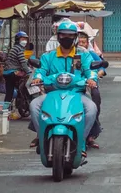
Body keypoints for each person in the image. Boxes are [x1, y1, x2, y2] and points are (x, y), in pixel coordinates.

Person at [29, 20, 100, 148]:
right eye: (63, 35)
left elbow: (90, 71)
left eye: (70, 35)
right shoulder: (48, 56)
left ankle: (82, 141)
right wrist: (37, 78)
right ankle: (42, 137)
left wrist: (92, 79)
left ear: (75, 37)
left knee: (91, 109)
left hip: (77, 94)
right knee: (34, 105)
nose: (66, 38)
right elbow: (41, 70)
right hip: (52, 94)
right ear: (58, 36)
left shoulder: (82, 54)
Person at [77, 26, 107, 148]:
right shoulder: (72, 54)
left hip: (89, 85)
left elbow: (101, 68)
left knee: (93, 103)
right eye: (79, 42)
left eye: (83, 42)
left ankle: (91, 134)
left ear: (87, 43)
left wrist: (95, 76)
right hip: (74, 86)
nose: (81, 44)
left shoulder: (90, 54)